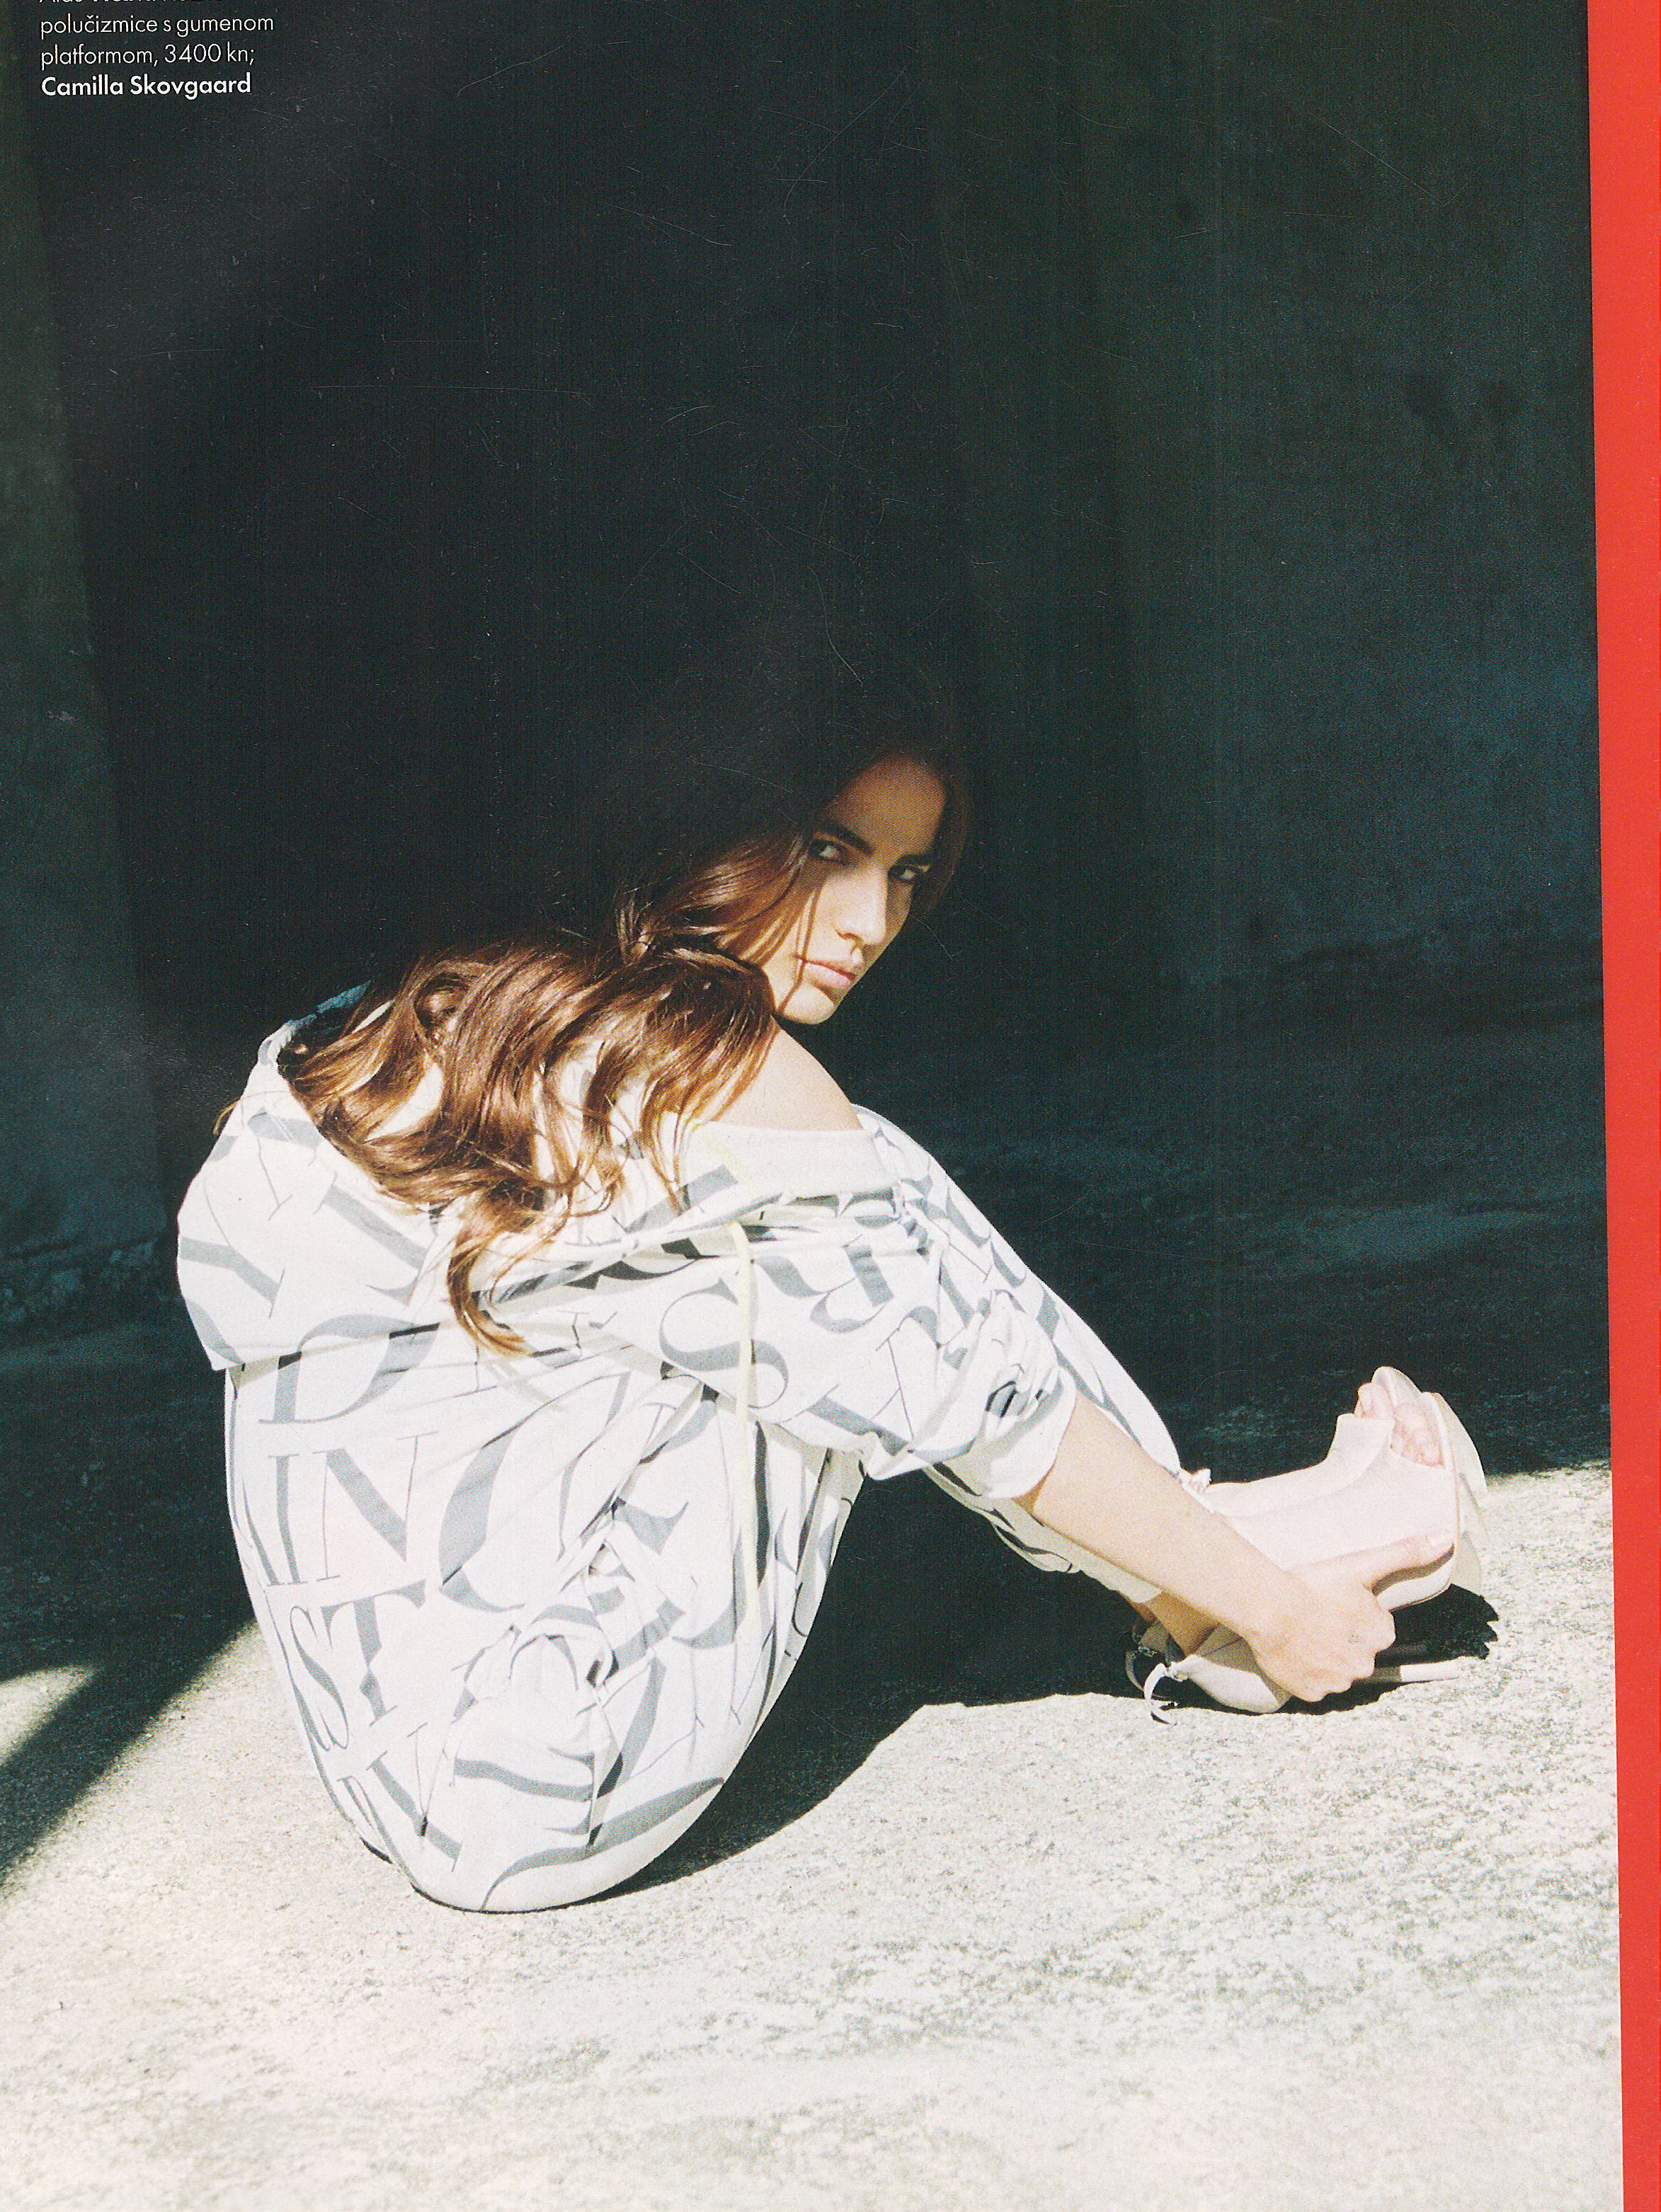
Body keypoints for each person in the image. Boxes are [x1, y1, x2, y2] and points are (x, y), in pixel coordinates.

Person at [176, 640, 1486, 1913]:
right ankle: (1220, 1598)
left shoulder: (434, 1012)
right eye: (826, 850)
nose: (872, 923)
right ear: (700, 818)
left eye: (905, 873)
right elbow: (976, 1410)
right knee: (843, 1251)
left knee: (843, 1212)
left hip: (415, 1759)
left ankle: (1200, 1547)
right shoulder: (710, 1082)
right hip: (559, 1774)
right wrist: (1284, 1618)